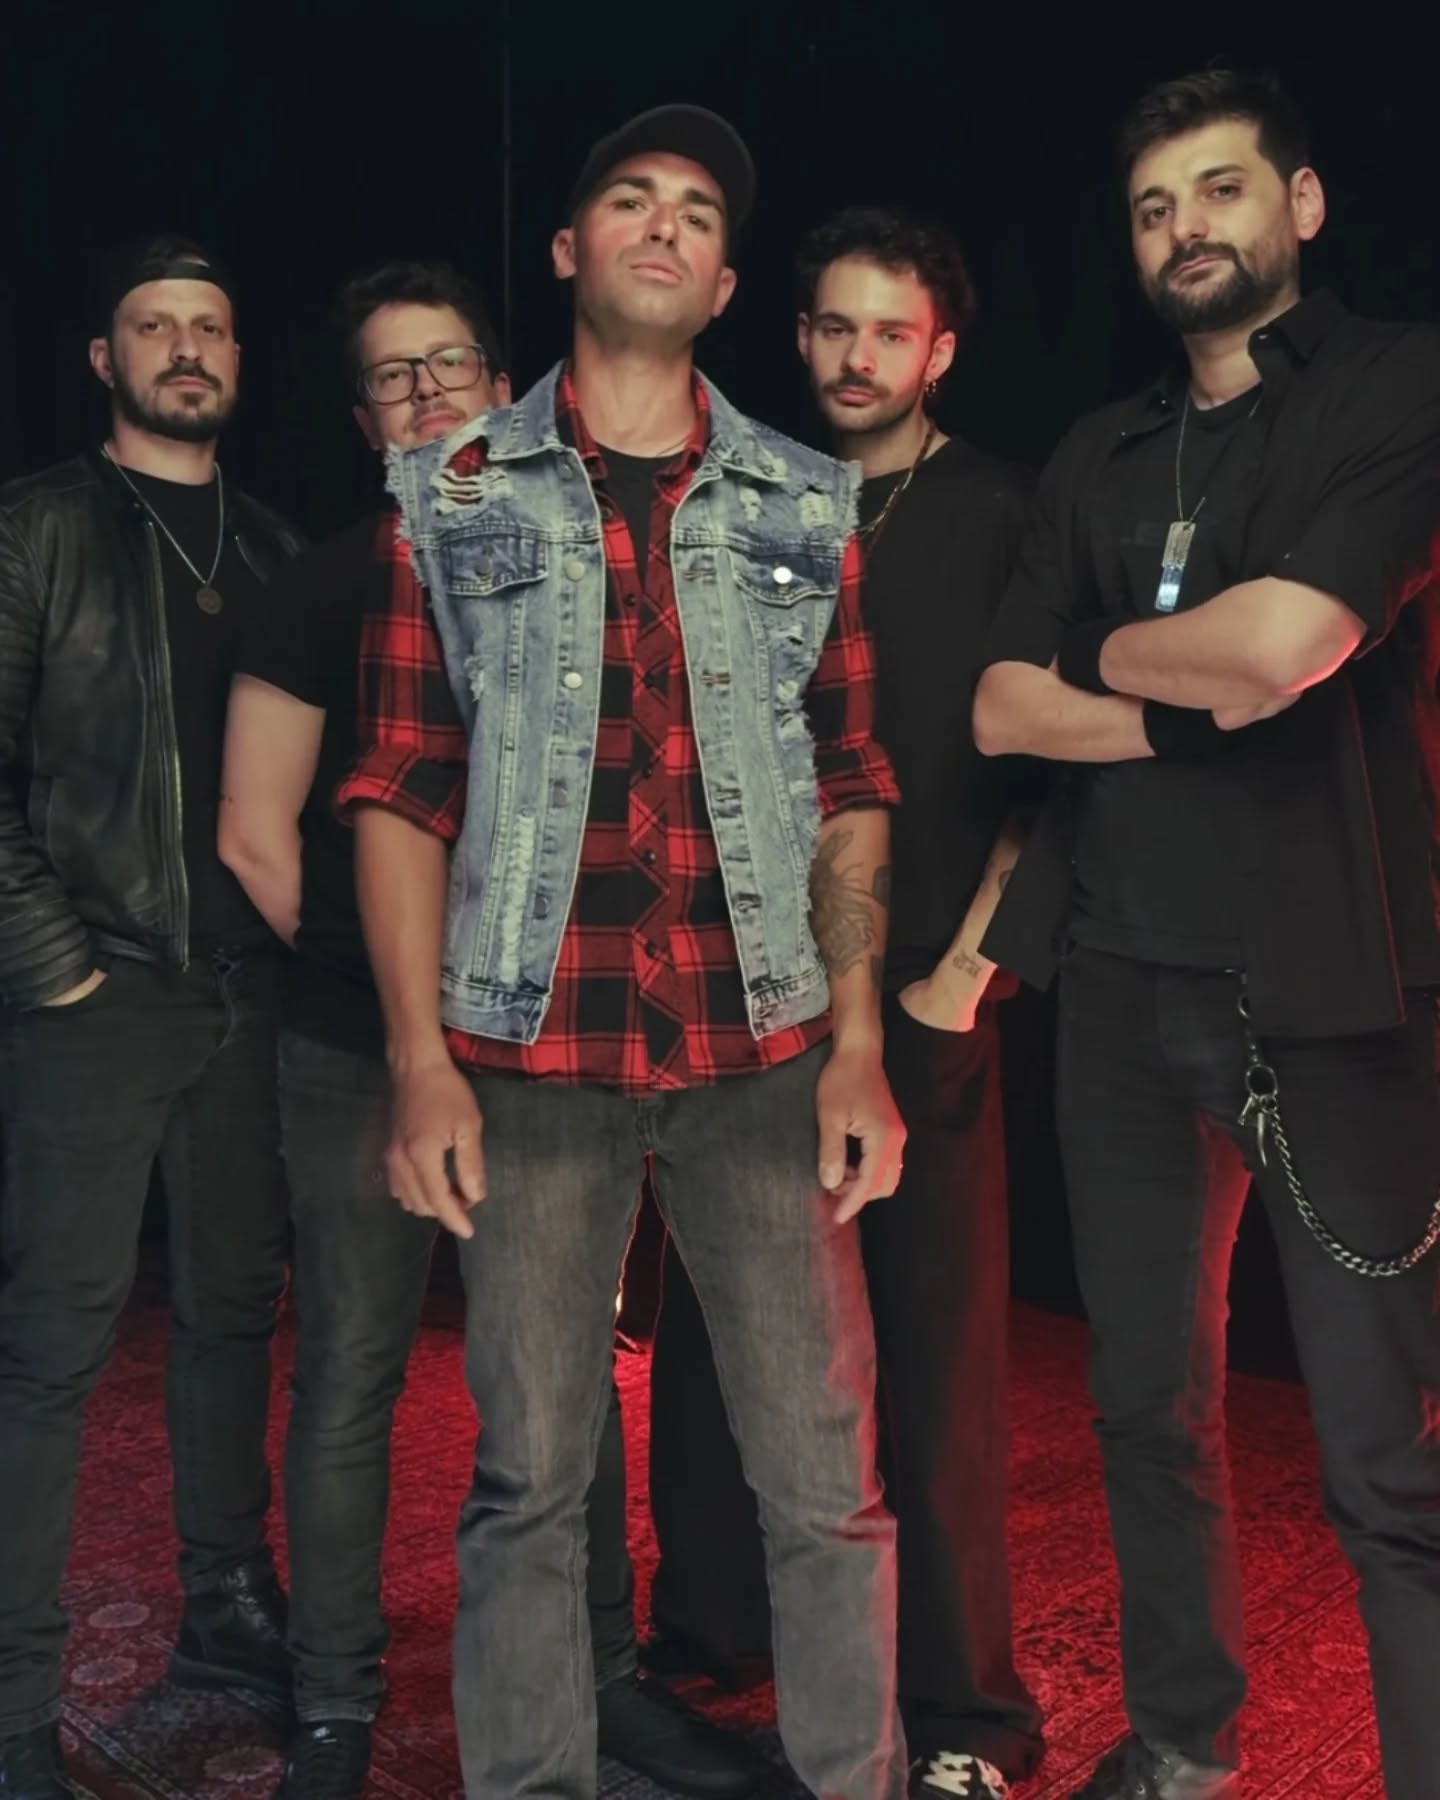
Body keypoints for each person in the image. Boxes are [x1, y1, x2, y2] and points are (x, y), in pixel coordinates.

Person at [339, 104, 909, 1800]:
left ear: (724, 283)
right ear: (569, 247)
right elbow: (401, 782)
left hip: (766, 1057)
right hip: (528, 1061)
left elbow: (852, 783)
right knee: (529, 1484)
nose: (663, 223)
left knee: (826, 1485)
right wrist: (419, 1061)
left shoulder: (807, 497)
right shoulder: (448, 491)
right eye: (629, 197)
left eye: (697, 212)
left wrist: (861, 1041)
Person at [219, 257, 755, 1800]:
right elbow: (256, 838)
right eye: (392, 375)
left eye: (449, 365)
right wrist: (395, 996)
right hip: (357, 1055)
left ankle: (603, 1681)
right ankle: (336, 1706)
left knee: (565, 1376)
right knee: (354, 1370)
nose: (425, 394)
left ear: (503, 390)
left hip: (552, 1058)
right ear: (362, 416)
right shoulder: (318, 587)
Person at [973, 69, 1440, 1800]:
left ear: (1300, 205)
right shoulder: (1099, 450)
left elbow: (1285, 648)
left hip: (1331, 999)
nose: (1188, 229)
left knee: (1387, 1455)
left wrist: (1106, 657)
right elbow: (1000, 708)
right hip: (1117, 991)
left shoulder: (1399, 383)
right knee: (1145, 1410)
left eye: (1222, 189)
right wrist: (1186, 694)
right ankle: (1184, 1744)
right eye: (1157, 206)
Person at [648, 207, 1044, 1800]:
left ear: (939, 351)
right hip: (743, 1004)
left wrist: (965, 976)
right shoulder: (744, 502)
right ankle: (711, 1632)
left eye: (892, 330)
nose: (858, 355)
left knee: (932, 1370)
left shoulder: (1005, 513)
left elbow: (1051, 769)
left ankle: (965, 1718)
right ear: (800, 335)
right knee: (717, 1344)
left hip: (927, 995)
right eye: (834, 326)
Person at [0, 236, 301, 1800]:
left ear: (236, 359)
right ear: (103, 358)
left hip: (246, 1001)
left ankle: (226, 1603)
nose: (187, 347)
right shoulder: (37, 530)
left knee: (234, 1315)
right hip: (94, 997)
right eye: (154, 325)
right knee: (51, 1350)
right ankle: (11, 1710)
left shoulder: (276, 546)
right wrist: (58, 968)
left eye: (211, 325)